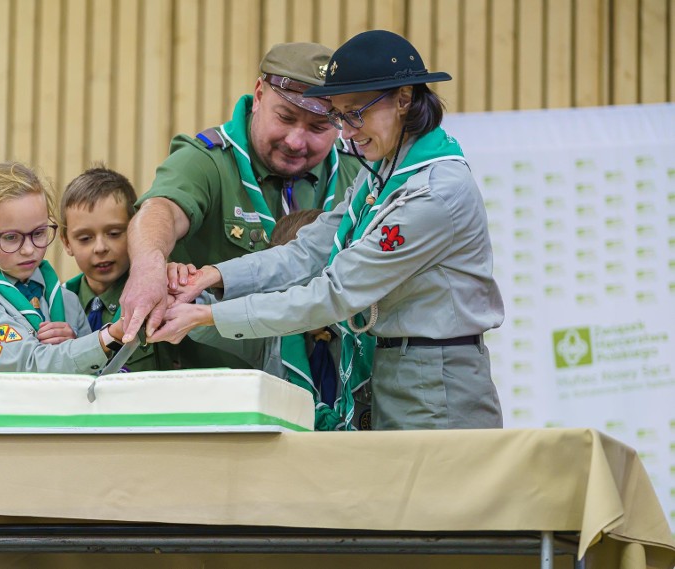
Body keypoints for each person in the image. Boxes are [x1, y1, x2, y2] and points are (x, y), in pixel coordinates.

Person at [151, 30, 504, 431]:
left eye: (356, 113)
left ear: (404, 99)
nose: (348, 132)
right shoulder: (383, 173)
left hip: (438, 380)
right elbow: (308, 251)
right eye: (340, 116)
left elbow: (333, 293)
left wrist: (209, 317)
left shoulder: (433, 192)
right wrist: (213, 277)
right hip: (394, 367)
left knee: (439, 493)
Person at [120, 42, 363, 370]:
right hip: (214, 385)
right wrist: (148, 266)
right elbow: (160, 209)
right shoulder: (208, 160)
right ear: (260, 94)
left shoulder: (359, 174)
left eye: (318, 128)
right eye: (285, 117)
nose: (295, 140)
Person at [180, 208, 372, 430]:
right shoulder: (271, 336)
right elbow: (204, 322)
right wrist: (182, 286)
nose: (296, 297)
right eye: (284, 289)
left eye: (308, 284)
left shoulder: (367, 330)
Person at [0, 162, 128, 374]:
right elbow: (27, 363)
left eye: (39, 233)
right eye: (11, 238)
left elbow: (93, 384)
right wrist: (110, 336)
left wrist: (76, 346)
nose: (29, 250)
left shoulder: (66, 300)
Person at [60, 165, 172, 371]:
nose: (100, 248)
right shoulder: (57, 304)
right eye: (85, 238)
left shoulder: (158, 296)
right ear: (66, 242)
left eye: (114, 233)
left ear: (135, 230)